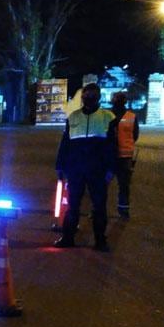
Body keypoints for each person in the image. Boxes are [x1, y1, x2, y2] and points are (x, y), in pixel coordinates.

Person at [54, 83, 116, 252]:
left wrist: (111, 169)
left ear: (99, 98)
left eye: (92, 96)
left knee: (99, 207)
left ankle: (100, 240)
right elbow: (65, 143)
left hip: (98, 170)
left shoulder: (107, 117)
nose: (88, 99)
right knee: (72, 205)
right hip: (76, 169)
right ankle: (68, 237)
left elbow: (112, 146)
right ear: (82, 98)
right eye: (86, 95)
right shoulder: (73, 117)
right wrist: (60, 166)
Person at [107, 92, 139, 219]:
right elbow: (135, 136)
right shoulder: (131, 116)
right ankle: (123, 211)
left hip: (114, 156)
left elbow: (135, 135)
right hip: (122, 157)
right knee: (123, 186)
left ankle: (97, 210)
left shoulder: (107, 115)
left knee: (105, 184)